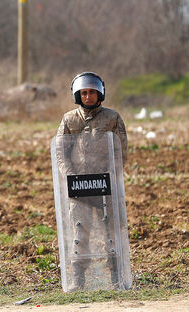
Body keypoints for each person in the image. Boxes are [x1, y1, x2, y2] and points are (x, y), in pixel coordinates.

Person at [56, 71, 128, 291]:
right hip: (79, 186)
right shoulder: (69, 119)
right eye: (84, 93)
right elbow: (60, 150)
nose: (88, 97)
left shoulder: (112, 118)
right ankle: (78, 280)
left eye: (92, 92)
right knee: (79, 232)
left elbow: (121, 150)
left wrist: (110, 174)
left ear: (101, 93)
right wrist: (70, 175)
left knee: (111, 231)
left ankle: (116, 278)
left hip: (106, 186)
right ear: (77, 95)